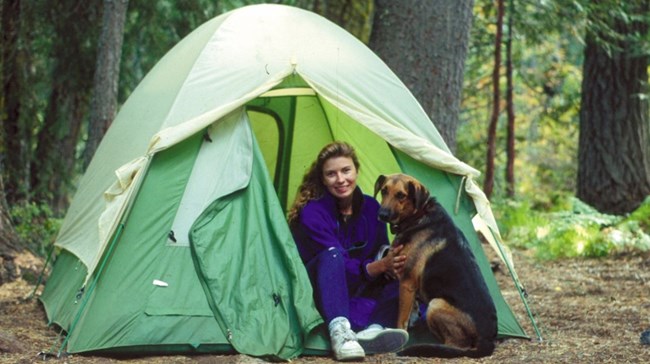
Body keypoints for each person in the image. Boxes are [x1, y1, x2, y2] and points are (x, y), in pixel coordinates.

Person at [287, 141, 409, 361]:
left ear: (356, 171)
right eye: (331, 174)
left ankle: (373, 329)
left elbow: (381, 247)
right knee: (332, 255)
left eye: (346, 170)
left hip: (360, 288)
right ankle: (341, 331)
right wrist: (377, 266)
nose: (341, 179)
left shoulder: (372, 207)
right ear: (323, 179)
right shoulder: (312, 212)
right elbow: (338, 266)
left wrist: (389, 262)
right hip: (323, 291)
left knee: (401, 269)